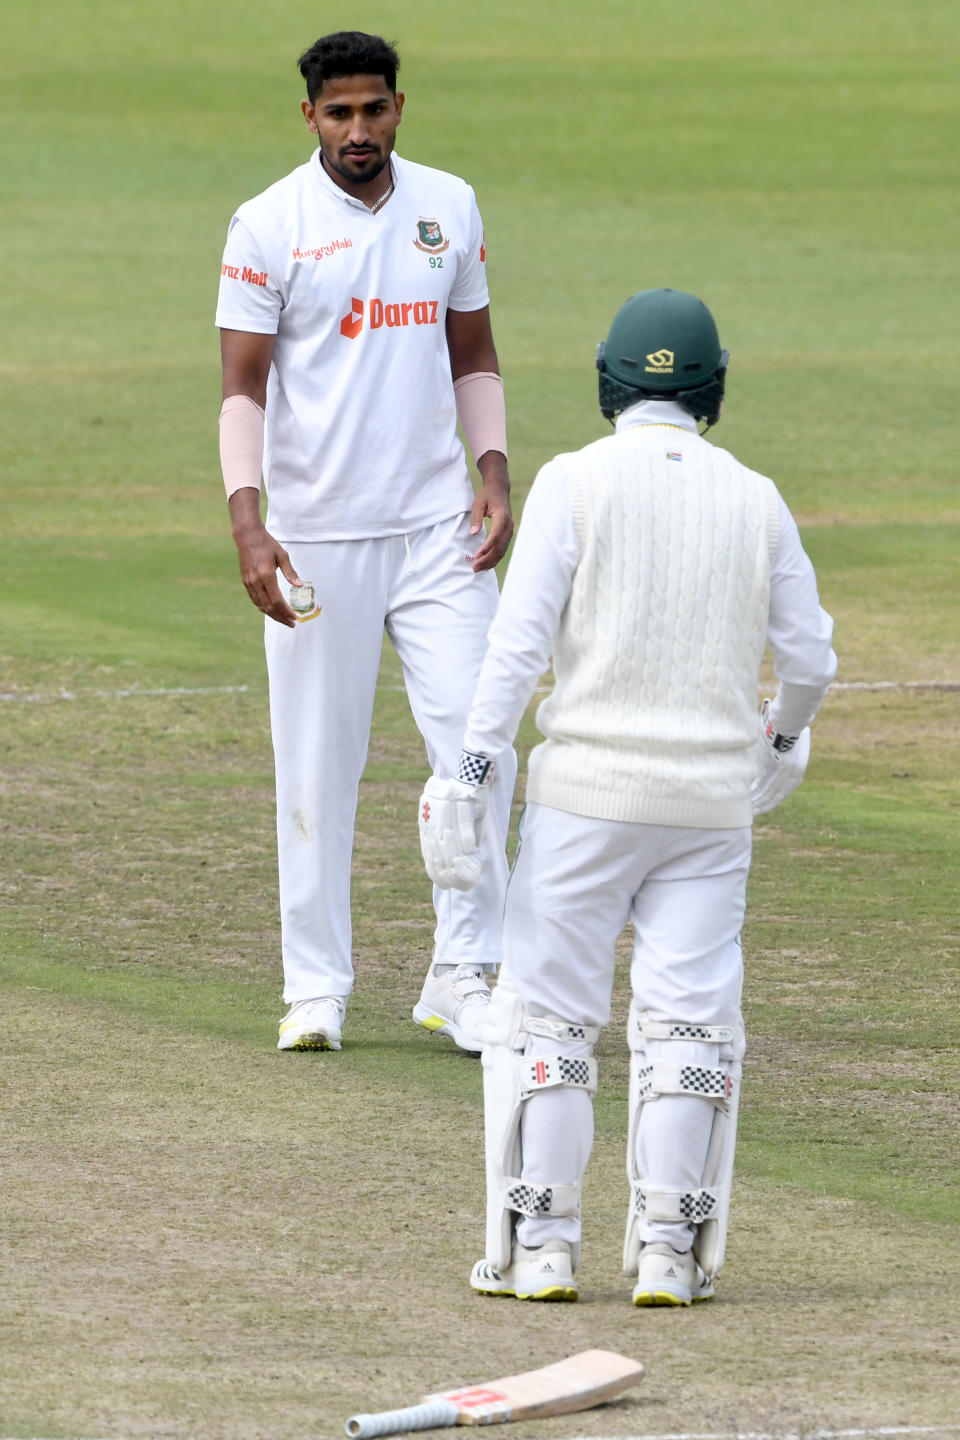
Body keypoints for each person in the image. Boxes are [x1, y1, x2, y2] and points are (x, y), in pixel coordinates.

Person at [418, 288, 837, 1306]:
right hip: (707, 809)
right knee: (690, 1032)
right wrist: (778, 743)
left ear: (609, 379)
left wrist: (469, 772)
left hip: (583, 801)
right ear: (714, 387)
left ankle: (543, 1248)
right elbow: (813, 659)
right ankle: (665, 1251)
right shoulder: (756, 495)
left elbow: (515, 651)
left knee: (552, 1028)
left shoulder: (572, 482)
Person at [215, 31, 517, 1054]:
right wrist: (248, 521)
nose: (359, 131)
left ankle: (465, 976)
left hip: (439, 529)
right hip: (316, 541)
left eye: (374, 110)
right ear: (310, 118)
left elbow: (473, 355)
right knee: (315, 771)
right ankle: (316, 990)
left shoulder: (451, 204)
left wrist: (492, 471)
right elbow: (242, 389)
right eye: (339, 114)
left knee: (480, 750)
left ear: (399, 107)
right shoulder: (267, 225)